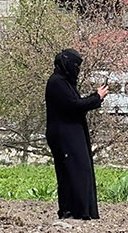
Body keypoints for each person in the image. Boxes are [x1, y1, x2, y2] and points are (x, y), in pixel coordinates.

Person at [45, 49, 108, 220]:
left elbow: (75, 104)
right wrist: (96, 97)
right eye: (75, 66)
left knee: (78, 169)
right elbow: (73, 105)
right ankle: (72, 210)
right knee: (74, 170)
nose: (77, 70)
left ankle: (78, 209)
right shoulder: (57, 82)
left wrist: (96, 98)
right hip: (64, 134)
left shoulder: (65, 83)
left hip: (69, 133)